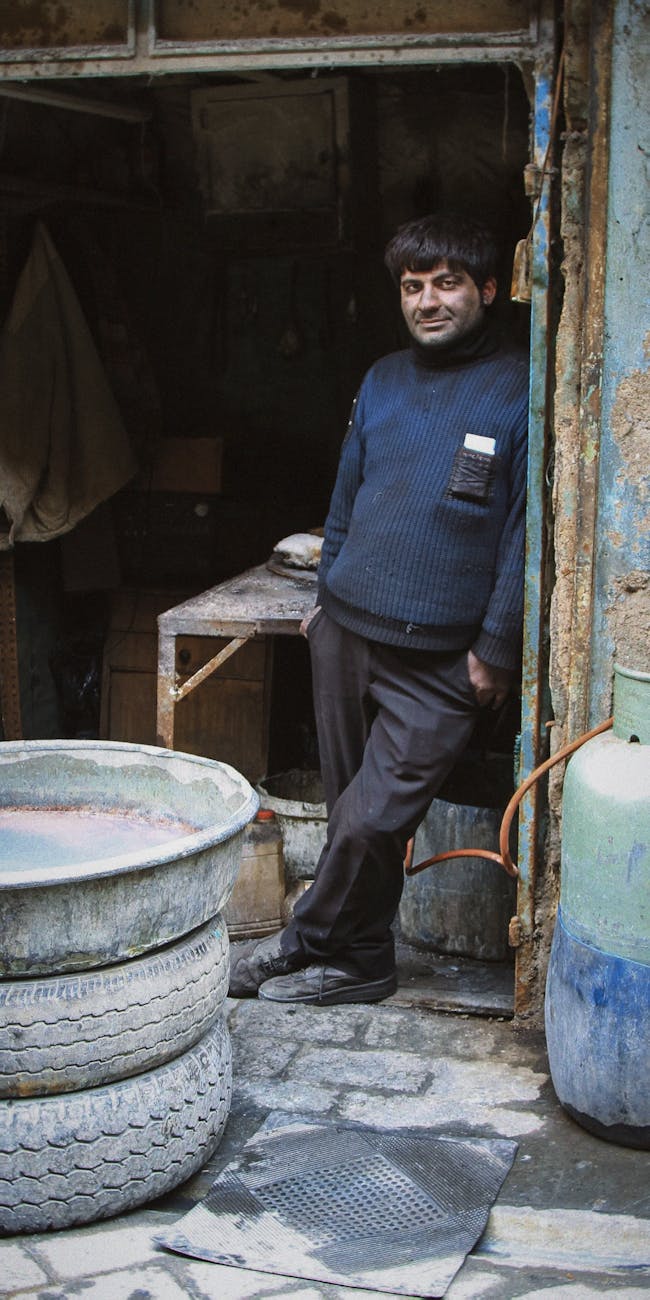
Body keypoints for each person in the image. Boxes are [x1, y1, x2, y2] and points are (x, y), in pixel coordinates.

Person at [229, 211, 529, 1005]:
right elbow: (346, 492)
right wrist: (325, 600)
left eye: (447, 283)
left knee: (367, 821)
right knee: (350, 817)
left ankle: (299, 941)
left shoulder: (521, 388)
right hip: (345, 632)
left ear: (488, 290)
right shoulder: (384, 378)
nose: (427, 301)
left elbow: (528, 532)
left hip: (441, 658)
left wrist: (496, 649)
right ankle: (364, 964)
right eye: (412, 287)